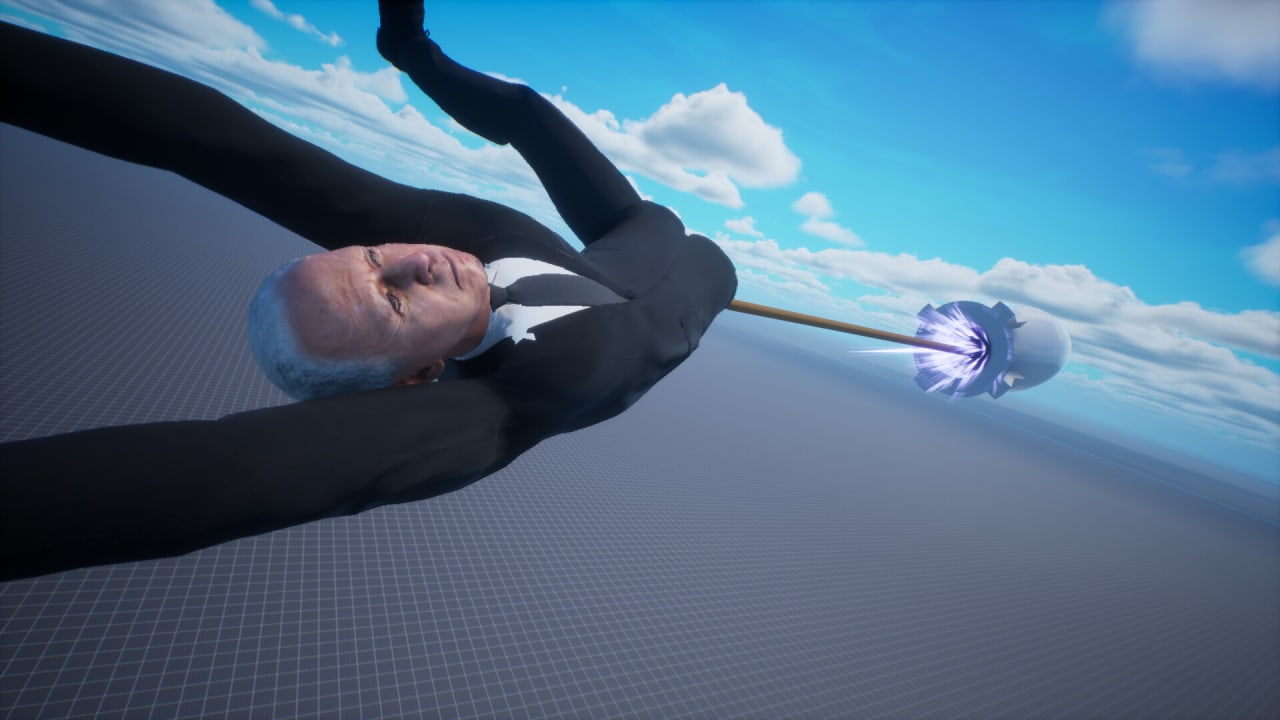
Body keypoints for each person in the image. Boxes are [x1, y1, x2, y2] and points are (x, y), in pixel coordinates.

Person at [0, 3, 737, 582]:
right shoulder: (502, 407)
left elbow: (218, 141)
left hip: (626, 227)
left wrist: (411, 48)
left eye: (374, 255)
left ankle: (404, 47)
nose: (416, 264)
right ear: (418, 377)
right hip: (675, 258)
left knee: (523, 109)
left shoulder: (445, 239)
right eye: (392, 302)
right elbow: (211, 477)